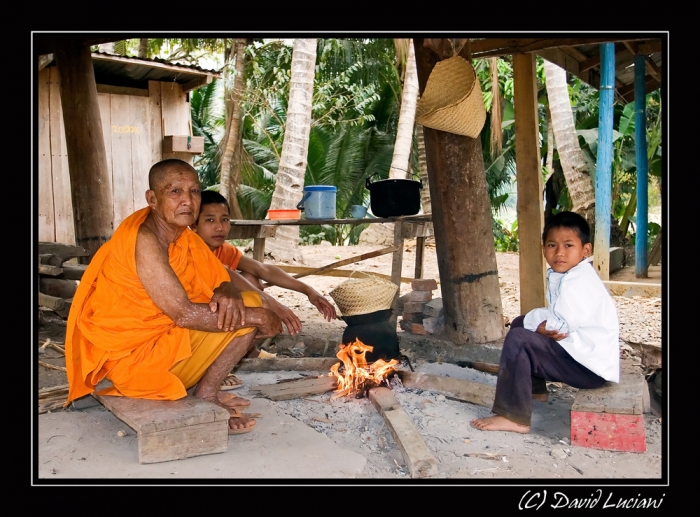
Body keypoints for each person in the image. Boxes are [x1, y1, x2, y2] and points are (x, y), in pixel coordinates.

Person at [65, 159, 284, 434]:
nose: (188, 201)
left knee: (243, 302)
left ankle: (204, 390)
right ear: (152, 199)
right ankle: (204, 393)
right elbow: (183, 313)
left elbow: (222, 277)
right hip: (136, 365)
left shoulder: (184, 236)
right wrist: (261, 317)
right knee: (249, 313)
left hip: (165, 341)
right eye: (175, 192)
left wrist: (226, 290)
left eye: (194, 192)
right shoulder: (145, 240)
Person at [471, 211, 620, 434]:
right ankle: (536, 389)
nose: (559, 252)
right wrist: (532, 321)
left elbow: (558, 327)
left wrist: (537, 324)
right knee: (522, 323)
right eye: (552, 245)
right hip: (584, 356)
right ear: (544, 248)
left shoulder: (578, 282)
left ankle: (514, 416)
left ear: (585, 250)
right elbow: (556, 315)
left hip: (588, 369)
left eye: (568, 245)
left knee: (520, 338)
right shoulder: (572, 273)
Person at [189, 190, 337, 339]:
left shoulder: (222, 249)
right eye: (210, 220)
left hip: (219, 313)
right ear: (193, 225)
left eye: (225, 219)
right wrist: (271, 303)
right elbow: (226, 274)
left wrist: (308, 291)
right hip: (195, 317)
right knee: (249, 292)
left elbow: (262, 269)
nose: (219, 227)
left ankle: (247, 346)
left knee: (251, 278)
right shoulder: (191, 249)